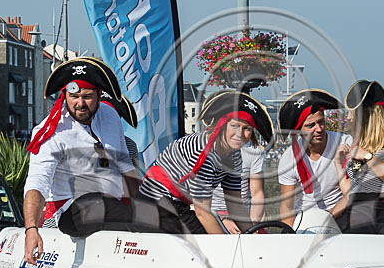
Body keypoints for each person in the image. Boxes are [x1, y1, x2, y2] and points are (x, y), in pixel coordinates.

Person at [23, 57, 139, 264]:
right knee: (101, 203)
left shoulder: (110, 115)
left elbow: (124, 165)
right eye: (74, 96)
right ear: (64, 95)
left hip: (113, 207)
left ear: (99, 95)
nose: (80, 103)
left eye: (87, 97)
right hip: (72, 211)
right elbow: (37, 183)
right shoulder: (50, 133)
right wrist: (31, 229)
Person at [137, 91, 273, 234]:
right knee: (204, 241)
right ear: (222, 125)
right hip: (154, 202)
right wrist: (226, 249)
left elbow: (235, 204)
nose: (239, 133)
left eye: (246, 129)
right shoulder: (204, 152)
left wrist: (251, 235)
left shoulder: (234, 156)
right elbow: (202, 212)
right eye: (234, 126)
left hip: (176, 204)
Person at [335, 80, 384, 235]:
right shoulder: (357, 143)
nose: (349, 118)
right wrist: (338, 165)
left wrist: (367, 156)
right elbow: (350, 191)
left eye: (352, 113)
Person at [277, 89, 352, 227]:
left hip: (339, 214)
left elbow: (353, 192)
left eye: (321, 122)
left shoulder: (344, 143)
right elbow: (287, 207)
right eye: (311, 125)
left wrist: (325, 219)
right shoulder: (289, 158)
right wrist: (289, 235)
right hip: (304, 219)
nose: (319, 129)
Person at [210, 142, 265, 234]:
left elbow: (257, 194)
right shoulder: (209, 148)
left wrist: (252, 225)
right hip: (213, 214)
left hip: (241, 214)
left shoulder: (254, 151)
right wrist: (222, 219)